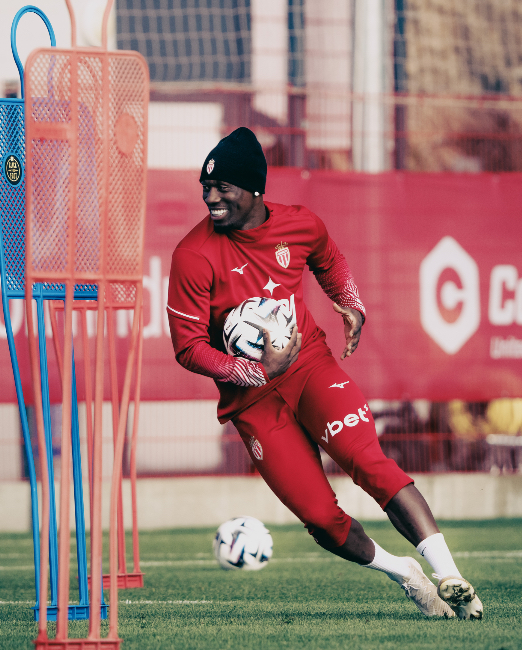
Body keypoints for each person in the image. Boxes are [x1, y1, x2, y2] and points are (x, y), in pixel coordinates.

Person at [167, 127, 481, 619]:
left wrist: (350, 304)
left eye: (222, 187)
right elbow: (188, 348)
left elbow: (329, 260)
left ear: (254, 188)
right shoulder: (192, 255)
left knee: (371, 464)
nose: (210, 198)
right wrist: (254, 371)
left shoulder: (300, 224)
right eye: (205, 187)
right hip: (251, 402)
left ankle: (449, 575)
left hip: (310, 366)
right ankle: (405, 573)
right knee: (320, 519)